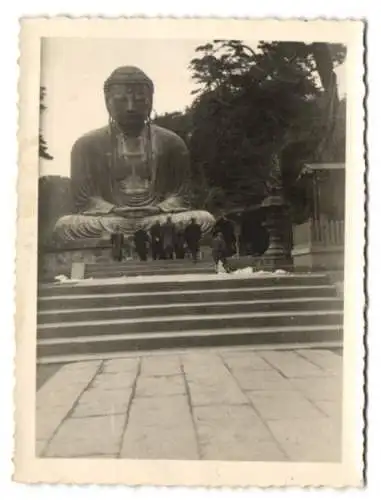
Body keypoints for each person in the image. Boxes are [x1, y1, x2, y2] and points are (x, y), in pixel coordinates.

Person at [53, 66, 215, 243]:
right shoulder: (86, 145)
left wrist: (159, 209)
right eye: (121, 101)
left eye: (139, 100)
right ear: (107, 102)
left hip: (156, 216)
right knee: (66, 225)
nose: (130, 108)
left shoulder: (172, 143)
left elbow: (182, 196)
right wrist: (113, 210)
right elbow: (85, 200)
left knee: (203, 219)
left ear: (150, 101)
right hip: (112, 218)